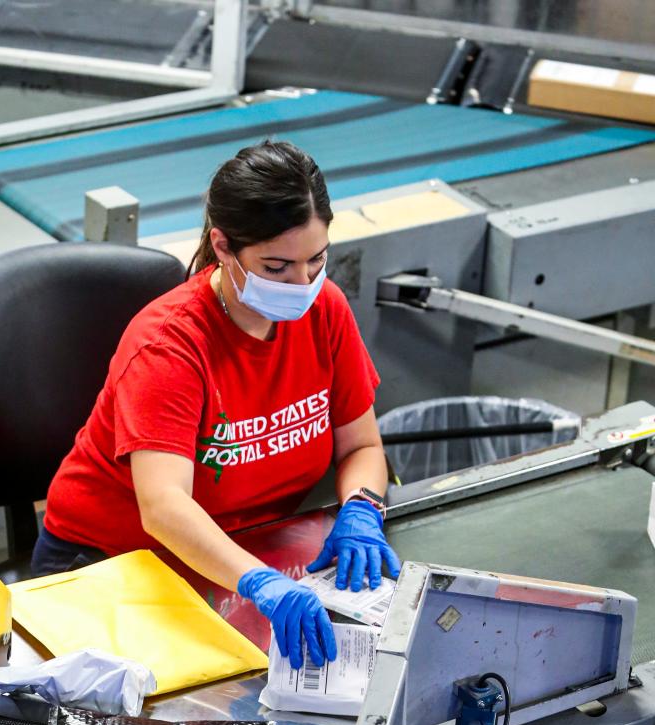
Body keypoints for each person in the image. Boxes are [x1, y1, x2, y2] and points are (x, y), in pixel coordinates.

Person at [33, 139, 400, 668]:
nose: (302, 285)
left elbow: (361, 443)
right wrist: (259, 581)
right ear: (223, 246)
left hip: (244, 549)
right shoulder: (170, 344)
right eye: (276, 267)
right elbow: (164, 508)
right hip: (115, 564)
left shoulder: (326, 311)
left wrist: (362, 508)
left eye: (316, 261)